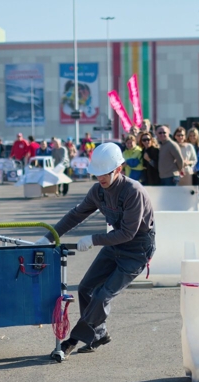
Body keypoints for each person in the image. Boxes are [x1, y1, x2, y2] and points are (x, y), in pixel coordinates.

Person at [36, 143, 155, 356]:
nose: (100, 179)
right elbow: (76, 215)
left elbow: (128, 233)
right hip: (114, 244)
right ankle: (99, 334)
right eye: (97, 174)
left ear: (118, 169)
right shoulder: (97, 191)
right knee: (85, 289)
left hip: (136, 250)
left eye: (105, 174)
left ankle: (73, 340)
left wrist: (93, 239)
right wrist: (49, 236)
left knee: (102, 295)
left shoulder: (132, 191)